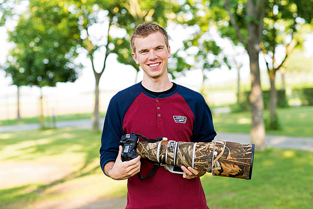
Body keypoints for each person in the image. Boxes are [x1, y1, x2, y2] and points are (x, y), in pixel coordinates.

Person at [99, 22, 216, 209]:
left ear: (168, 50)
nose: (152, 56)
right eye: (144, 51)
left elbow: (206, 145)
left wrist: (200, 168)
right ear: (135, 57)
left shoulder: (194, 100)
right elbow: (107, 152)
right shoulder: (120, 102)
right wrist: (113, 172)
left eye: (158, 48)